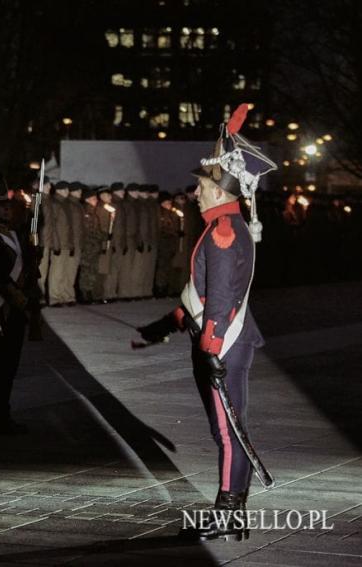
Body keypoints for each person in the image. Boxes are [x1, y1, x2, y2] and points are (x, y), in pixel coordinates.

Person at [138, 105, 276, 541]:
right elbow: (206, 294)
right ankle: (231, 510)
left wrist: (211, 346)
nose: (195, 192)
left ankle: (229, 513)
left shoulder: (223, 231)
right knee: (228, 429)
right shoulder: (225, 224)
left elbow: (219, 301)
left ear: (220, 190)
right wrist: (170, 322)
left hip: (223, 344)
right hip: (221, 340)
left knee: (228, 431)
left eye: (201, 186)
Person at [0, 168, 29, 434]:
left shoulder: (11, 233)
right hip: (1, 307)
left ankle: (3, 411)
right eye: (0, 205)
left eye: (7, 205)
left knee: (10, 364)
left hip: (17, 308)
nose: (6, 209)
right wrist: (14, 295)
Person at [47, 181, 74, 306]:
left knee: (64, 271)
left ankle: (63, 296)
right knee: (57, 272)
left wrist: (71, 243)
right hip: (60, 243)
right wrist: (56, 244)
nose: (68, 191)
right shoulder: (55, 204)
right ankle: (54, 297)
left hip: (66, 243)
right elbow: (53, 226)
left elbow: (69, 227)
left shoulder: (65, 204)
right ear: (60, 190)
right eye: (66, 189)